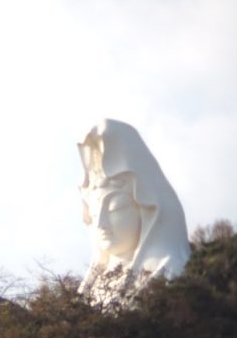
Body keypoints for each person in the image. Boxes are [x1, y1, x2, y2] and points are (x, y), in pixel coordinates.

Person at [78, 119, 191, 305]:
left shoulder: (165, 273)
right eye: (96, 214)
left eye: (115, 208)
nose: (101, 224)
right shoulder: (88, 288)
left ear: (145, 209)